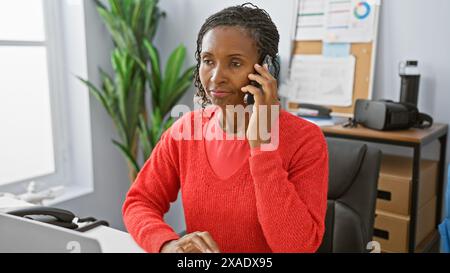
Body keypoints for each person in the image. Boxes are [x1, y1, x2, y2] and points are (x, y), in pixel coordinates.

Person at [122, 3, 328, 253]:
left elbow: (297, 247)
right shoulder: (186, 130)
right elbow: (139, 202)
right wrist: (168, 244)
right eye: (208, 60)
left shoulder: (305, 140)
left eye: (235, 63)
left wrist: (262, 147)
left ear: (266, 69)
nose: (216, 76)